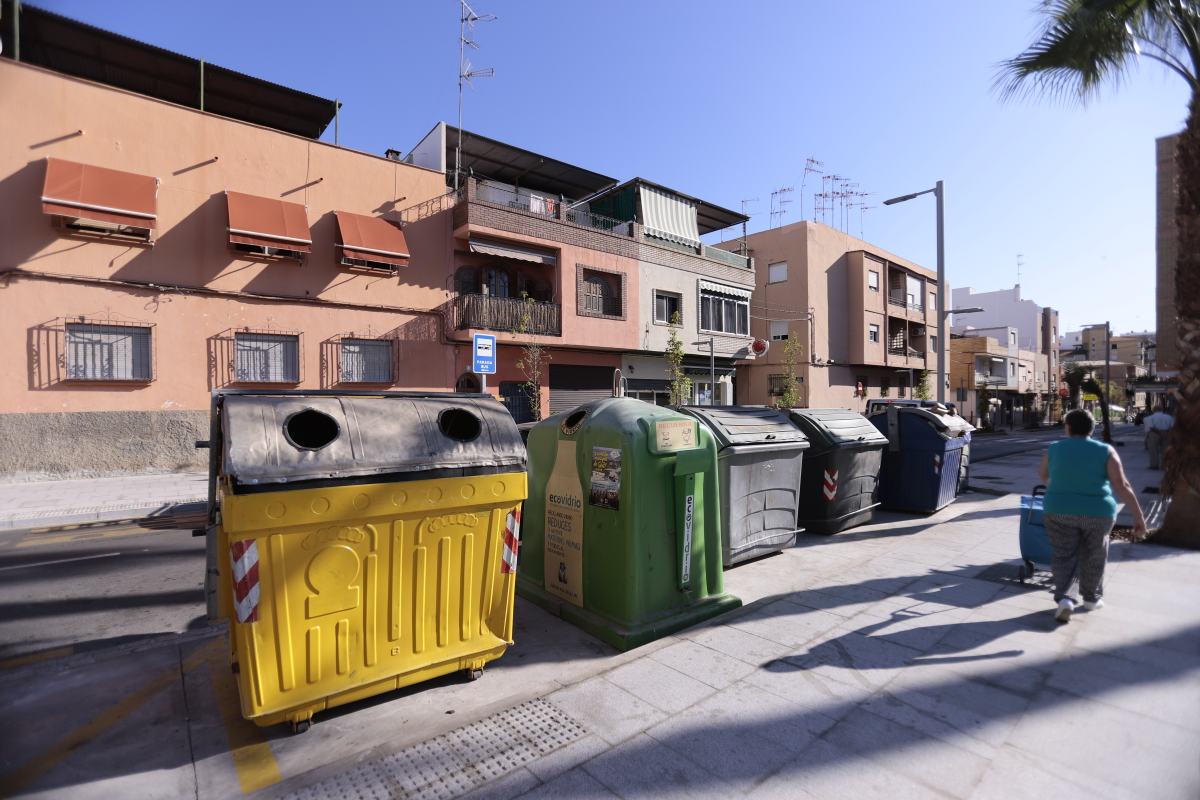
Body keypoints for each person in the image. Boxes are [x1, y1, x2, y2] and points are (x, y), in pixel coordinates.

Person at [1038, 409, 1147, 623]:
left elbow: (1043, 475)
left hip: (1059, 510)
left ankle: (1065, 599)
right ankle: (1091, 598)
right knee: (1095, 554)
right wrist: (1139, 518)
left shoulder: (1054, 448)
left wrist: (1060, 489)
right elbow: (1122, 485)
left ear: (1068, 427)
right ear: (1092, 428)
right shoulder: (1105, 450)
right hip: (1098, 513)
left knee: (1063, 556)